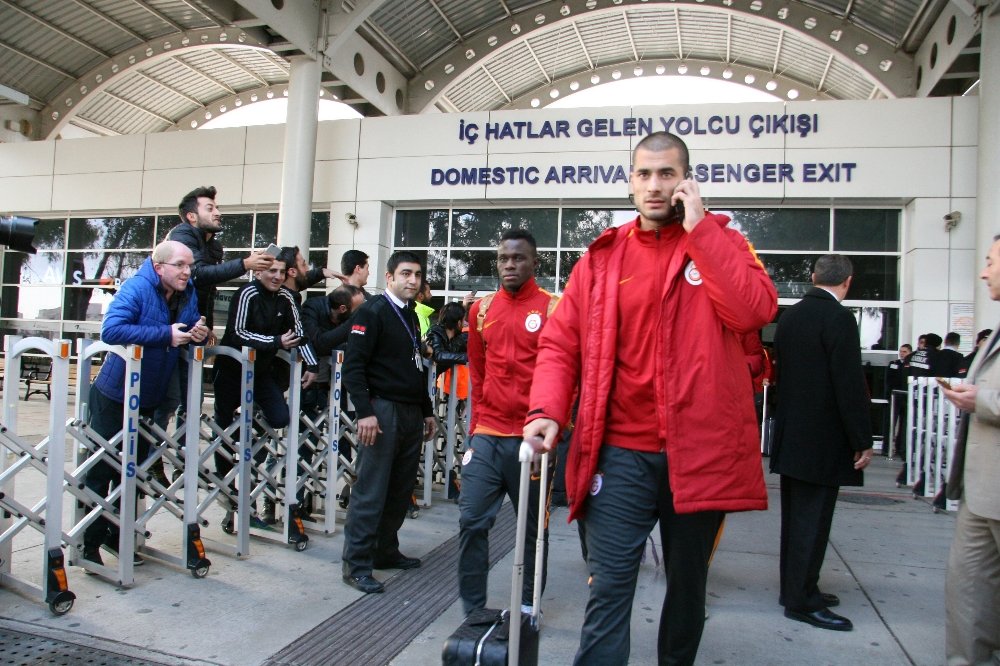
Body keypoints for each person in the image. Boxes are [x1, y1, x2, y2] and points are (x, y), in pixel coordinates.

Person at [522, 131, 777, 666]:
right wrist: (546, 410)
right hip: (618, 454)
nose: (655, 185)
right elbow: (560, 342)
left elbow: (754, 311)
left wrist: (701, 230)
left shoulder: (721, 242)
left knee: (688, 589)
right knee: (609, 586)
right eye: (644, 174)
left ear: (687, 180)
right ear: (630, 180)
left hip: (700, 455)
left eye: (667, 174)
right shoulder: (602, 258)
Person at [82, 240, 209, 567]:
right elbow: (111, 330)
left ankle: (117, 537)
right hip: (115, 393)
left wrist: (199, 332)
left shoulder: (187, 291)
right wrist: (165, 335)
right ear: (159, 267)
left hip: (150, 395)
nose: (187, 271)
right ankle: (89, 544)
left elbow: (190, 324)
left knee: (133, 472)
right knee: (103, 469)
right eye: (180, 265)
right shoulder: (137, 288)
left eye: (190, 265)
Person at [770, 254, 874, 632]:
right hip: (823, 440)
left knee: (795, 520)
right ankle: (802, 600)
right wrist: (862, 439)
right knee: (813, 523)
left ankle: (795, 587)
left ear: (813, 277)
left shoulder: (790, 317)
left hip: (792, 435)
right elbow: (849, 385)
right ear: (847, 281)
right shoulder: (839, 319)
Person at [459, 229, 558, 616]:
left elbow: (566, 375)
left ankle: (529, 606)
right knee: (471, 521)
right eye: (503, 258)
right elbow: (478, 374)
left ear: (535, 262)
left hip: (532, 441)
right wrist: (475, 431)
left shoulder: (553, 308)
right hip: (488, 435)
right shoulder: (481, 310)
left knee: (533, 530)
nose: (509, 265)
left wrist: (554, 429)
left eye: (518, 258)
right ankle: (473, 608)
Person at [153, 186, 275, 483]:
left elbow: (206, 287)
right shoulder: (183, 236)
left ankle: (182, 458)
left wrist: (203, 325)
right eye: (210, 208)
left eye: (216, 206)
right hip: (168, 330)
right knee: (167, 398)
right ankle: (152, 456)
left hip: (191, 329)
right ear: (191, 216)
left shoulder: (212, 246)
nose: (217, 212)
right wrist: (245, 264)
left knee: (188, 398)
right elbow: (198, 275)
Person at [341, 251, 436, 594]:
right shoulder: (373, 311)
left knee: (399, 488)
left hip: (410, 411)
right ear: (390, 276)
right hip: (381, 412)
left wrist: (426, 410)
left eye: (418, 275)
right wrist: (364, 411)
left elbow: (415, 367)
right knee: (371, 489)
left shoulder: (410, 315)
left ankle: (385, 550)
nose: (413, 280)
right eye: (406, 274)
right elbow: (353, 367)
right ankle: (357, 564)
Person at [212, 256, 318, 530]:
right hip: (232, 370)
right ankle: (227, 487)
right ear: (259, 272)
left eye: (282, 272)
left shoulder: (286, 297)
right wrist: (274, 341)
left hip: (261, 372)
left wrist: (313, 365)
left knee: (281, 418)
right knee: (223, 429)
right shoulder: (246, 293)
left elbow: (299, 333)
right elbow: (237, 333)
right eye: (271, 271)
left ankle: (248, 441)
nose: (277, 276)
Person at [940, 236, 1000, 666]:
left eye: (990, 262)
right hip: (980, 491)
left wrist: (981, 399)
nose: (983, 272)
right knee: (968, 591)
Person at [886, 343, 912, 459]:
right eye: (901, 351)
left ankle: (901, 448)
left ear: (910, 353)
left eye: (904, 352)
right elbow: (889, 380)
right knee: (890, 422)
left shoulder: (911, 365)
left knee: (904, 424)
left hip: (906, 397)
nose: (902, 354)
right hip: (895, 397)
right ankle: (887, 448)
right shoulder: (893, 364)